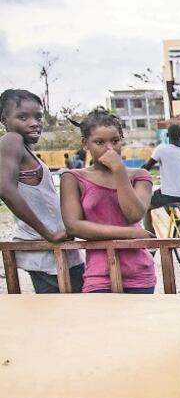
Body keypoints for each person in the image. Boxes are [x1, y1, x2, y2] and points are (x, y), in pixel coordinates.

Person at [59, 108, 156, 294]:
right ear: (85, 144)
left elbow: (134, 214)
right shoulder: (73, 178)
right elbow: (74, 226)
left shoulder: (139, 175)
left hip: (139, 273)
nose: (110, 148)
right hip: (99, 274)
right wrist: (132, 234)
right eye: (99, 142)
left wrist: (119, 170)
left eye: (115, 141)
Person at [0, 89, 84, 293]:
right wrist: (48, 233)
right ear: (4, 119)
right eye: (23, 117)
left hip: (57, 245)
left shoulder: (25, 149)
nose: (34, 123)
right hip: (44, 248)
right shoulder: (12, 139)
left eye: (38, 117)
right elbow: (5, 188)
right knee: (63, 309)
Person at [142, 124, 180, 232]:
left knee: (145, 207)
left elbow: (147, 167)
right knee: (166, 202)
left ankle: (151, 237)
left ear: (167, 135)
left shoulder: (161, 149)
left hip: (168, 195)